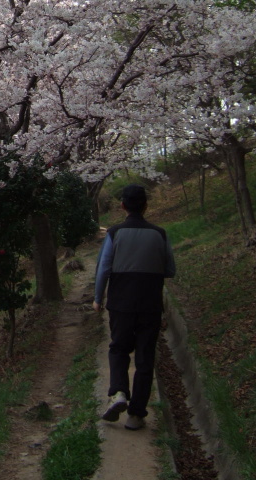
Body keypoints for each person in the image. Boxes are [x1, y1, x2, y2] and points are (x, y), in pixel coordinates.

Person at [93, 184, 176, 431]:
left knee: (118, 348)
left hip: (120, 302)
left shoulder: (114, 233)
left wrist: (98, 297)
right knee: (145, 357)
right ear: (146, 205)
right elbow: (170, 269)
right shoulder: (160, 234)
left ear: (122, 206)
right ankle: (137, 415)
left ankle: (118, 392)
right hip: (150, 303)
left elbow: (104, 268)